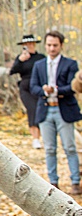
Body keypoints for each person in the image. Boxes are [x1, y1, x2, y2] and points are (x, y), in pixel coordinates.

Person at [34, 31, 81, 192]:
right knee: (49, 149)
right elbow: (32, 86)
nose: (51, 48)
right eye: (49, 45)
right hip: (45, 110)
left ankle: (75, 181)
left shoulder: (70, 64)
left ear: (61, 45)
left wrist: (57, 90)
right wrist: (44, 90)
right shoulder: (39, 65)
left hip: (64, 109)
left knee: (70, 147)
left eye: (55, 45)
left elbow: (74, 87)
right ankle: (53, 181)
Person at [9, 34, 43, 149]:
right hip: (25, 87)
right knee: (31, 109)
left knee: (40, 110)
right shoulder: (21, 58)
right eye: (26, 45)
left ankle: (41, 135)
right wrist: (20, 60)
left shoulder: (41, 58)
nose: (29, 46)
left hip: (38, 87)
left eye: (30, 44)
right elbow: (12, 71)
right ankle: (35, 138)